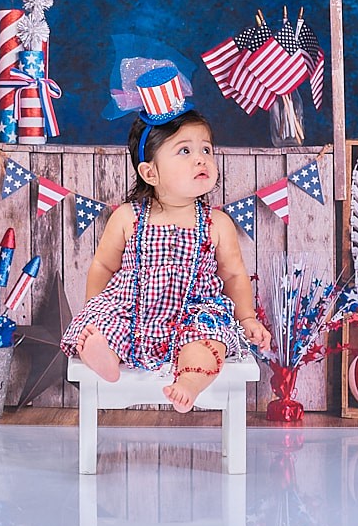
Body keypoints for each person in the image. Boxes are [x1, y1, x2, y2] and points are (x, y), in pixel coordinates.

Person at [61, 65, 271, 413]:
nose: (201, 158)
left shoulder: (217, 223)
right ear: (150, 172)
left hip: (192, 313)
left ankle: (189, 380)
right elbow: (102, 265)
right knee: (107, 325)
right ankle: (102, 352)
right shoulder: (127, 217)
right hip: (133, 309)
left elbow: (234, 275)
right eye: (184, 151)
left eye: (206, 149)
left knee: (210, 341)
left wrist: (247, 318)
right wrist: (93, 312)